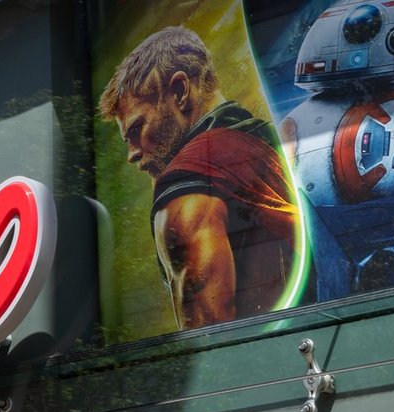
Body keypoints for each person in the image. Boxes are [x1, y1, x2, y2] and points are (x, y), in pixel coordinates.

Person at [99, 26, 299, 329]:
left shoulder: (184, 193)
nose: (133, 154)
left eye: (137, 129)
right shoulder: (270, 142)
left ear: (180, 91)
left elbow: (208, 349)